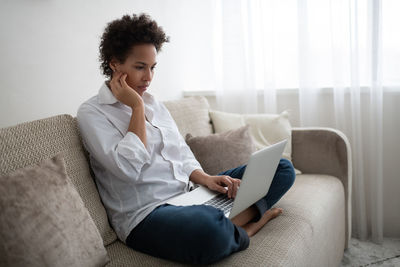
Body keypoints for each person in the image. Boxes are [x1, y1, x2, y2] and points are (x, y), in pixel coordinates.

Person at [77, 13, 295, 265]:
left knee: (281, 169)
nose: (149, 77)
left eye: (152, 67)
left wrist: (206, 179)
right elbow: (128, 168)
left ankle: (229, 223)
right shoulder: (92, 113)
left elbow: (179, 152)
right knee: (207, 231)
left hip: (191, 195)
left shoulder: (154, 104)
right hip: (147, 215)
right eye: (140, 67)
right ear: (115, 64)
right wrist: (136, 108)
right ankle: (246, 227)